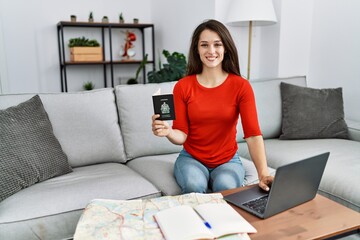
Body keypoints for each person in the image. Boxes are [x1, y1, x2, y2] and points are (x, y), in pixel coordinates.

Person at [151, 19, 273, 194]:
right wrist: (167, 131)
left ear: (225, 48)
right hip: (191, 159)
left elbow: (253, 134)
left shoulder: (241, 86)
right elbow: (181, 135)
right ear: (197, 49)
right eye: (204, 45)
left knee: (226, 187)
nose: (211, 51)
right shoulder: (183, 86)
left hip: (227, 160)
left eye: (217, 44)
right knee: (194, 185)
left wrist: (263, 174)